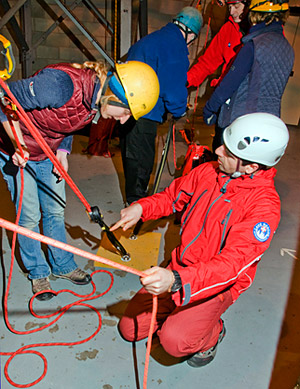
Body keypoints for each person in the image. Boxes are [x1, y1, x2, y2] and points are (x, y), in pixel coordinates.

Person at [110, 112, 289, 367]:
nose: (218, 151)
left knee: (175, 342)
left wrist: (177, 281)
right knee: (130, 329)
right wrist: (142, 208)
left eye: (228, 152)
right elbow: (172, 197)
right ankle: (179, 315)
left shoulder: (264, 207)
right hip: (181, 267)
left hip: (216, 284)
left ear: (251, 167)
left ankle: (212, 333)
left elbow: (230, 266)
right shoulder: (208, 172)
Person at [0, 60, 159, 301]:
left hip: (48, 151)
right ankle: (37, 271)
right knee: (29, 216)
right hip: (18, 151)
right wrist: (18, 144)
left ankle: (62, 264)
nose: (124, 121)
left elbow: (68, 123)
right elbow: (3, 99)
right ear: (113, 96)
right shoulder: (59, 85)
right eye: (126, 112)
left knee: (54, 209)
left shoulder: (95, 102)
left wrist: (62, 151)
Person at [118, 6, 203, 205]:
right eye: (192, 39)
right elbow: (173, 89)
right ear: (190, 32)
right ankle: (137, 208)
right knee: (141, 163)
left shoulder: (155, 38)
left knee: (132, 158)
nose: (190, 44)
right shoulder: (174, 46)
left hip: (127, 109)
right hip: (143, 112)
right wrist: (179, 110)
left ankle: (134, 199)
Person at [203, 0, 294, 150]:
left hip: (239, 124)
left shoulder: (253, 46)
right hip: (267, 125)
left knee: (225, 165)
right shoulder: (287, 49)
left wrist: (210, 109)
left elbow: (228, 85)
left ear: (255, 14)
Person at [187, 0, 250, 152]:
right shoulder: (229, 29)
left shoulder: (264, 35)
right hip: (226, 104)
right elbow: (207, 62)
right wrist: (184, 82)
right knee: (220, 149)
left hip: (247, 107)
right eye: (229, 7)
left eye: (236, 7)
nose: (232, 12)